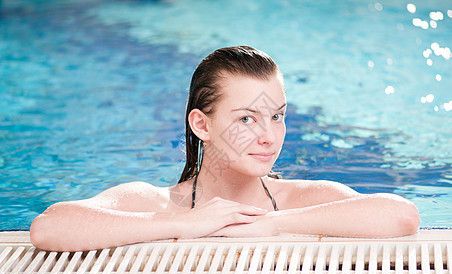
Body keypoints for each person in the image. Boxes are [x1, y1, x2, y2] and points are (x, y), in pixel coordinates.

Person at [30, 46, 420, 252]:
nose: (269, 136)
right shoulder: (159, 204)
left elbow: (401, 216)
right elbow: (49, 227)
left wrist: (269, 223)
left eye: (277, 116)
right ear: (202, 124)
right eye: (247, 119)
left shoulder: (302, 201)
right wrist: (180, 225)